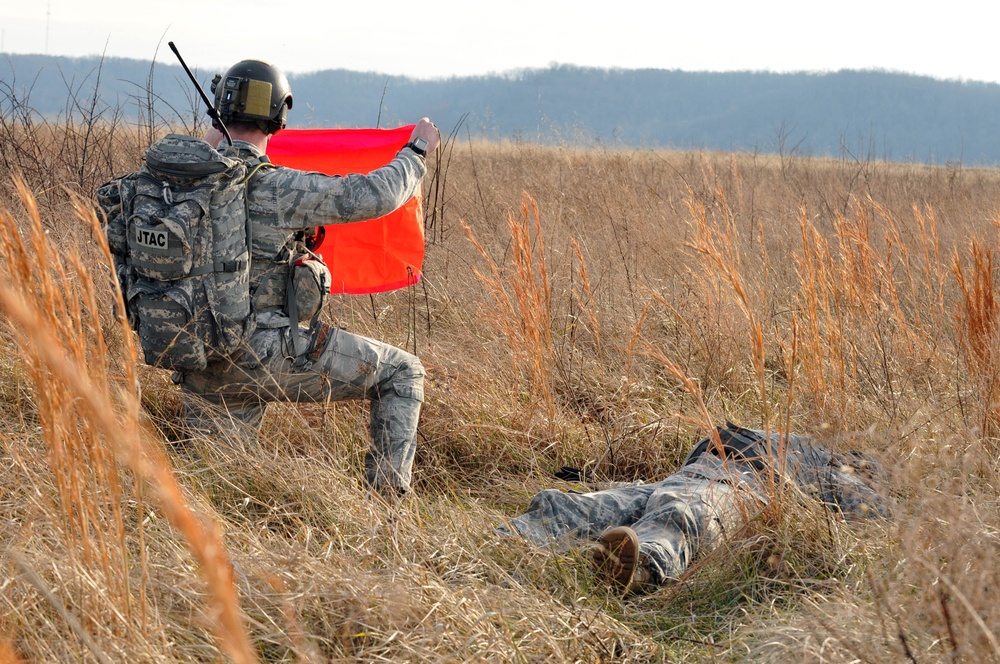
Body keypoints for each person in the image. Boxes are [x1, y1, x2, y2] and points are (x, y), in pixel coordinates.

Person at [176, 59, 440, 495]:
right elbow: (371, 196)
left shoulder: (184, 183)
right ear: (280, 116)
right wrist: (415, 153)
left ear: (220, 114)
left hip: (199, 357)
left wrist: (215, 136)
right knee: (402, 373)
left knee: (219, 492)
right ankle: (390, 514)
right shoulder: (276, 187)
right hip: (262, 354)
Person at [499, 423, 891, 592]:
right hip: (687, 477)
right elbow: (873, 509)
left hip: (736, 489)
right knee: (587, 505)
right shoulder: (816, 452)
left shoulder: (826, 463)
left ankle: (636, 567)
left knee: (681, 516)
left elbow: (872, 512)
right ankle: (508, 541)